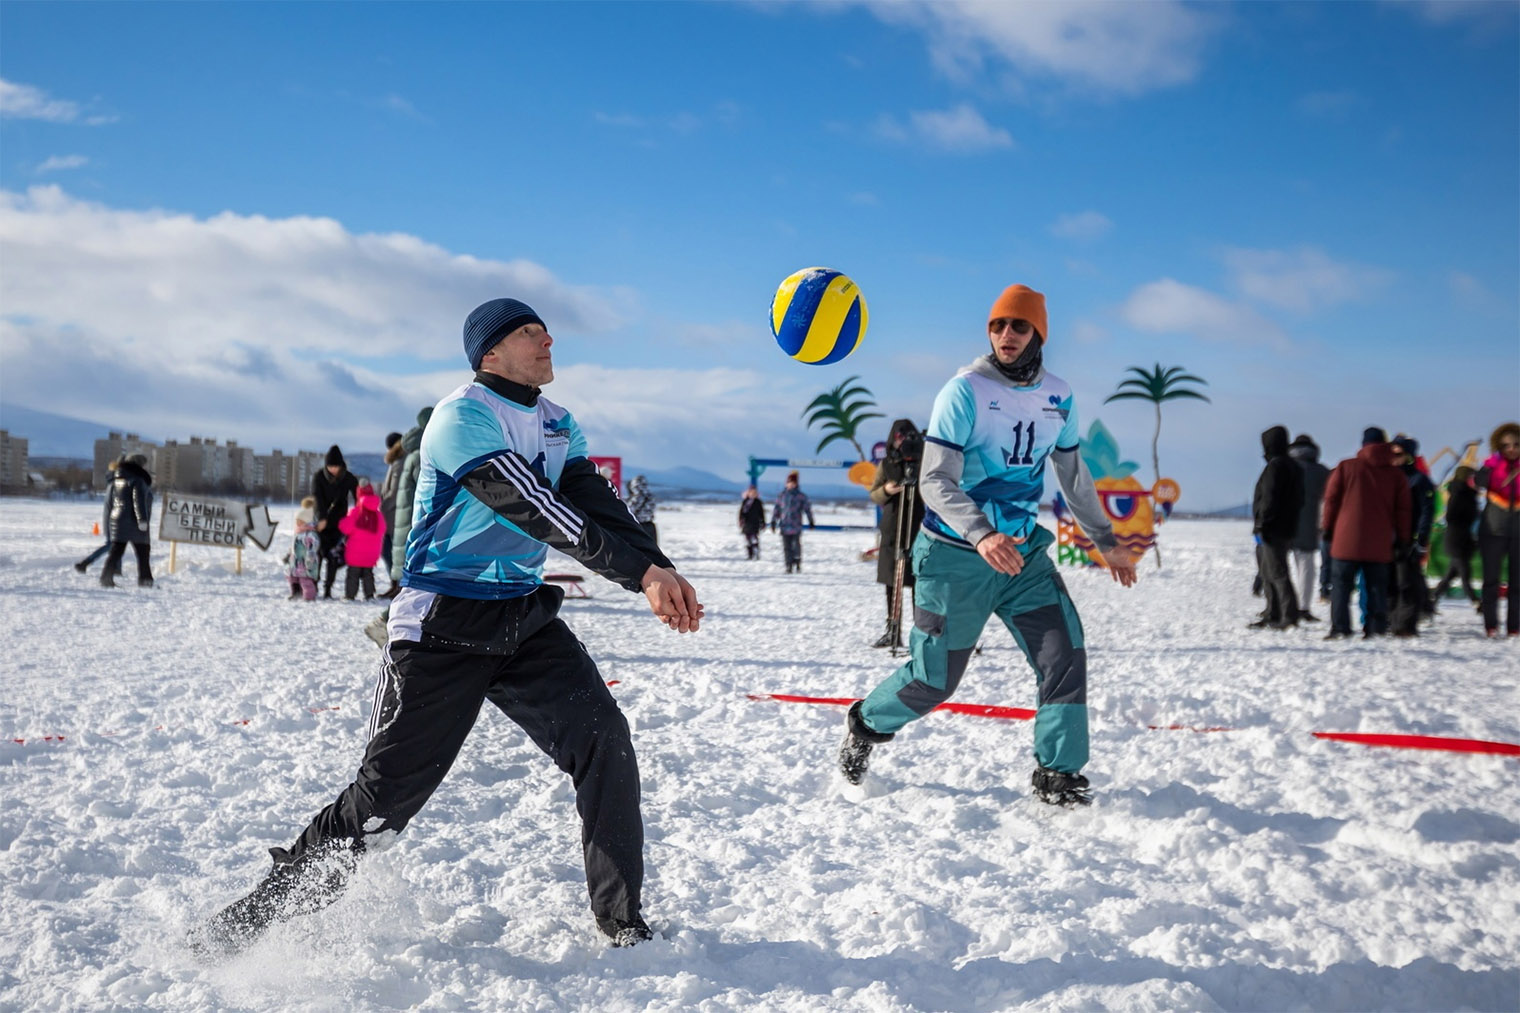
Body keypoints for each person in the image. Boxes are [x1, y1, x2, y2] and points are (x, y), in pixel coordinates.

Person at [194, 297, 703, 956]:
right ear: (489, 351)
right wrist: (640, 575)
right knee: (381, 807)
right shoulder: (460, 416)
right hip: (441, 624)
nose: (548, 337)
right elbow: (533, 507)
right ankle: (248, 921)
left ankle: (623, 922)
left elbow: (593, 503)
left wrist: (657, 563)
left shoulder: (557, 423)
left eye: (545, 327)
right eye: (528, 330)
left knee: (604, 736)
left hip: (523, 616)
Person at [837, 283, 1138, 807]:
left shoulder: (1059, 395)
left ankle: (1058, 775)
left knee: (1064, 656)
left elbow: (1072, 473)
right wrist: (982, 533)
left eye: (1018, 326)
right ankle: (865, 725)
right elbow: (935, 481)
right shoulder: (965, 391)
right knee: (935, 681)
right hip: (955, 559)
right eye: (997, 325)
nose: (1006, 335)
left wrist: (1104, 539)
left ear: (1038, 333)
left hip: (1023, 559)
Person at [1321, 427, 1410, 639]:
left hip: (1345, 540)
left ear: (1363, 444)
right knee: (1376, 587)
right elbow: (1403, 511)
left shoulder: (1345, 467)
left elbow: (1331, 501)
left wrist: (1328, 528)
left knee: (1341, 586)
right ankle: (1375, 627)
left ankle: (1340, 628)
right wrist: (1403, 539)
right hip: (1379, 542)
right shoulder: (1396, 475)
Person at [364, 407, 434, 647]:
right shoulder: (423, 456)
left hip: (407, 526)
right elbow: (428, 495)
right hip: (417, 528)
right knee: (421, 586)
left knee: (417, 585)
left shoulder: (412, 455)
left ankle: (389, 626)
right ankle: (386, 625)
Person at [869, 419, 926, 648]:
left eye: (908, 436)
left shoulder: (926, 460)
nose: (903, 442)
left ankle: (921, 633)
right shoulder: (887, 463)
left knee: (918, 584)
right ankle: (893, 631)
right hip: (893, 528)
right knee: (892, 581)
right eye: (900, 437)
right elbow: (873, 494)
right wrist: (886, 490)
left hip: (918, 526)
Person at [1250, 426, 1304, 630]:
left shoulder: (1276, 466)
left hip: (1272, 529)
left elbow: (1269, 499)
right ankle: (1273, 612)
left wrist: (1262, 524)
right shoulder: (1292, 466)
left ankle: (1287, 615)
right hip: (1285, 528)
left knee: (1276, 572)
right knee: (1269, 571)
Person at [1475, 421, 1520, 637]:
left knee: (1517, 582)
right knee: (1491, 581)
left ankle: (1514, 626)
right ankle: (1491, 625)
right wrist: (1491, 464)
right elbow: (1478, 481)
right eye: (1506, 445)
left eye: (1516, 444)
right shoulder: (1492, 467)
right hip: (1492, 531)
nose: (1511, 449)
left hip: (1518, 533)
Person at [1390, 436, 1435, 637]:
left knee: (1407, 582)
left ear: (1408, 455)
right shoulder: (1387, 478)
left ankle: (1406, 625)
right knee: (1389, 582)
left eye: (1398, 454)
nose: (1394, 457)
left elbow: (1427, 511)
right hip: (1389, 538)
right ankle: (1392, 621)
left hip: (1409, 539)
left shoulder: (1419, 479)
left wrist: (1421, 539)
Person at [1287, 434, 1329, 621]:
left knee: (1280, 567)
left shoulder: (1285, 468)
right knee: (1306, 566)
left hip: (1284, 523)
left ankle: (1283, 605)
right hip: (1310, 524)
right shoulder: (1321, 472)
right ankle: (1303, 606)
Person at [101, 453, 155, 589]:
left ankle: (106, 578)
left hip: (118, 520)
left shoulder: (118, 478)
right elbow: (138, 501)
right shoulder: (138, 479)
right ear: (139, 464)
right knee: (143, 551)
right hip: (134, 522)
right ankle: (146, 580)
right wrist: (142, 520)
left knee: (116, 550)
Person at [311, 445, 359, 599]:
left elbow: (359, 496)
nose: (333, 469)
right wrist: (322, 518)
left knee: (333, 557)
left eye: (336, 466)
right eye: (330, 466)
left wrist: (357, 515)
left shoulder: (348, 477)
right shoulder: (319, 477)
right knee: (317, 555)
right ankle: (314, 585)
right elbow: (317, 499)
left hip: (339, 523)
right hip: (321, 522)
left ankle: (328, 588)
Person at [1431, 466, 1481, 609]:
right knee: (1465, 574)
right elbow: (1450, 516)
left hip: (1464, 540)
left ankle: (1432, 598)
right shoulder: (1459, 493)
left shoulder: (1469, 494)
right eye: (1472, 477)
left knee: (1451, 574)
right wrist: (1466, 524)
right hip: (1458, 540)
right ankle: (1476, 602)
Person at [338, 483, 386, 601]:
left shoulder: (356, 512)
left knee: (353, 575)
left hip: (355, 551)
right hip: (372, 552)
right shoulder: (378, 514)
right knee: (368, 574)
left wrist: (342, 520)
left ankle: (350, 595)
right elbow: (383, 528)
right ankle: (369, 595)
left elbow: (345, 528)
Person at [378, 431, 405, 597]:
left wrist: (381, 507)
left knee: (390, 551)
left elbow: (394, 493)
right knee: (392, 552)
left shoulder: (399, 463)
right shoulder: (398, 461)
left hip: (395, 516)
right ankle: (395, 584)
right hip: (395, 515)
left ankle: (397, 585)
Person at [771, 471, 815, 573]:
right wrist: (773, 521)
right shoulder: (781, 495)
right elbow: (777, 509)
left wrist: (811, 521)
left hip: (795, 525)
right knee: (786, 547)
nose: (790, 484)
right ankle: (788, 566)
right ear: (786, 483)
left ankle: (797, 562)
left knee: (796, 545)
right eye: (789, 482)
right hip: (784, 525)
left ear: (796, 484)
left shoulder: (801, 496)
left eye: (793, 483)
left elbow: (807, 509)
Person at [285, 498, 321, 601]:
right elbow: (294, 545)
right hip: (295, 562)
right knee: (292, 578)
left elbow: (312, 549)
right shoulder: (298, 533)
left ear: (305, 521)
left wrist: (310, 560)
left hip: (306, 563)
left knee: (306, 581)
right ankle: (296, 593)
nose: (296, 522)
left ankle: (309, 596)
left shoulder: (310, 534)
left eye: (299, 520)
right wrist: (289, 554)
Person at [626, 474, 658, 547]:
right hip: (650, 525)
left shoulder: (638, 496)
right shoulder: (650, 495)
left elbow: (630, 510)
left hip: (639, 526)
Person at [738, 486, 765, 560]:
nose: (753, 494)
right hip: (747, 524)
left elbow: (761, 513)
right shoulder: (745, 502)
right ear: (748, 493)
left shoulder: (758, 502)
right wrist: (741, 520)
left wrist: (762, 522)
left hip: (755, 524)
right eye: (751, 493)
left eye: (754, 493)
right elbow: (741, 512)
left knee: (754, 539)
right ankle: (750, 555)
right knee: (748, 540)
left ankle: (756, 554)